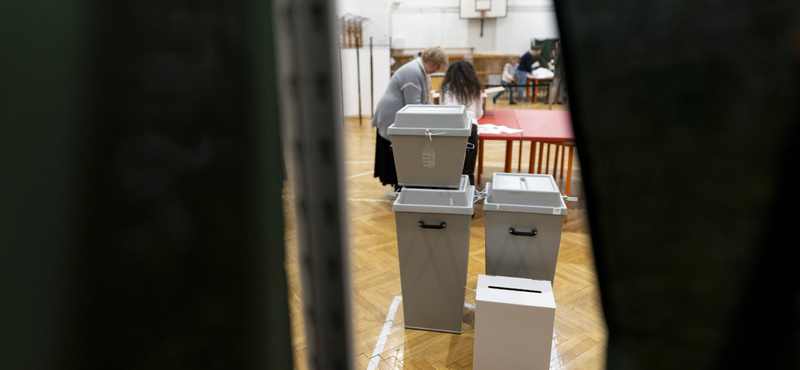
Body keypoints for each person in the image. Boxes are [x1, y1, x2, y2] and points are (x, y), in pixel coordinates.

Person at [372, 46, 448, 190]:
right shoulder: (413, 71)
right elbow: (414, 106)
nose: (438, 69)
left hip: (398, 115)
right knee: (396, 156)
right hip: (390, 116)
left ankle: (403, 186)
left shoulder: (423, 71)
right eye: (438, 65)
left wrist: (440, 110)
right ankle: (401, 188)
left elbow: (425, 101)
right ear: (430, 61)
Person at [440, 61, 483, 186]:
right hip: (469, 127)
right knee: (468, 169)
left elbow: (442, 109)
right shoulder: (475, 87)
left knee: (449, 167)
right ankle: (468, 198)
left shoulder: (445, 87)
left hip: (449, 128)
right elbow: (478, 113)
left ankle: (448, 197)